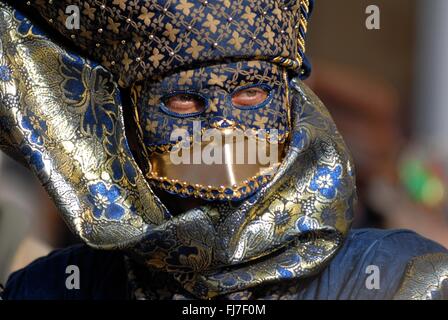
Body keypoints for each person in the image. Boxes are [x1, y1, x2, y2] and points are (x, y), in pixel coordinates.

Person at [0, 0, 447, 300]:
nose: (221, 132)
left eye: (250, 94)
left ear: (290, 107)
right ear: (129, 123)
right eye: (184, 101)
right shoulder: (52, 289)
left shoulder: (399, 280)